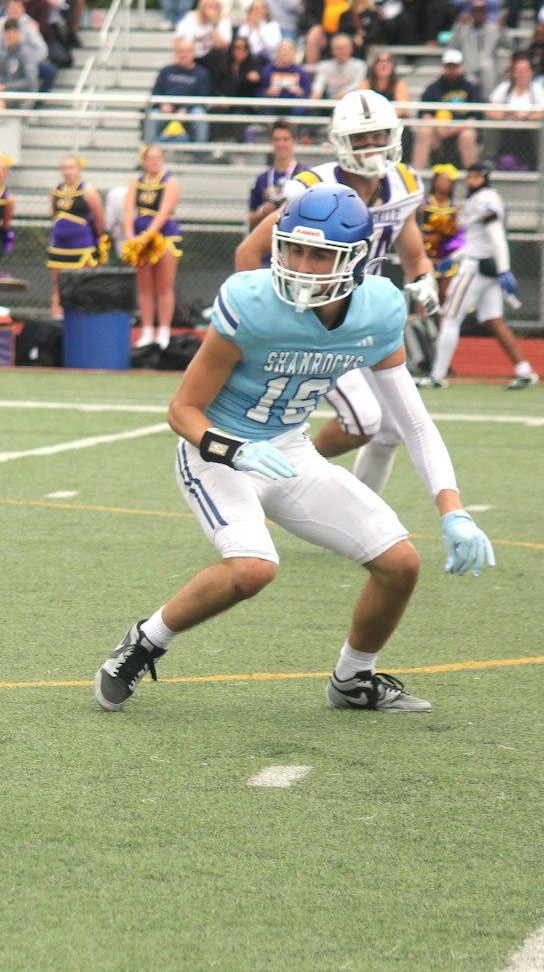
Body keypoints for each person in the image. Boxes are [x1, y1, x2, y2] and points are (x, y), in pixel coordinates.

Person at [94, 181, 495, 717]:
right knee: (253, 568)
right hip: (219, 450)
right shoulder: (251, 301)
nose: (302, 265)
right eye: (294, 248)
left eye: (320, 254)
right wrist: (232, 450)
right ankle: (146, 639)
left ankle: (353, 680)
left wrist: (454, 510)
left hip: (290, 449)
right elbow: (182, 410)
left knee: (400, 563)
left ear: (354, 260)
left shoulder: (377, 310)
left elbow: (415, 423)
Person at [235, 91, 435, 495]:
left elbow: (413, 254)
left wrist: (425, 279)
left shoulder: (402, 185)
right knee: (363, 420)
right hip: (315, 319)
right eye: (361, 138)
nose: (372, 145)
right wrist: (255, 317)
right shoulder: (313, 189)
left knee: (391, 430)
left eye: (378, 134)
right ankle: (280, 475)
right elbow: (248, 252)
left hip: (365, 318)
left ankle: (363, 512)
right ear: (341, 141)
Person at [420, 164, 539, 391]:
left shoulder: (486, 199)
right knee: (492, 319)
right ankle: (524, 370)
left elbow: (496, 237)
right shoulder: (477, 199)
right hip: (481, 266)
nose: (471, 180)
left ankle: (437, 374)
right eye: (470, 175)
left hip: (474, 269)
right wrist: (454, 258)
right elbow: (477, 240)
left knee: (450, 317)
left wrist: (505, 268)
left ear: (484, 177)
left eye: (476, 176)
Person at [122, 145, 181, 349]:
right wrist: (131, 236)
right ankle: (147, 330)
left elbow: (165, 211)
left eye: (157, 158)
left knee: (164, 286)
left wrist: (149, 235)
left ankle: (164, 330)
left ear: (162, 160)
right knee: (145, 287)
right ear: (144, 161)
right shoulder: (136, 182)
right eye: (150, 158)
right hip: (141, 239)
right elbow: (129, 210)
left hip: (164, 237)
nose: (154, 162)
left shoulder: (170, 182)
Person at [46, 154, 106, 320]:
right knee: (59, 287)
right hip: (59, 246)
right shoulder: (56, 190)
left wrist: (94, 237)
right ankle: (57, 322)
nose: (68, 172)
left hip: (81, 245)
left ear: (79, 170)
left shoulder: (87, 190)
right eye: (64, 168)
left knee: (81, 284)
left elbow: (99, 217)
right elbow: (54, 214)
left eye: (71, 168)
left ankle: (81, 321)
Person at [411, 51, 483, 170]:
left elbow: (476, 116)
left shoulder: (471, 88)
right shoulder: (433, 88)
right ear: (443, 68)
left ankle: (473, 176)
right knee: (424, 132)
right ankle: (415, 174)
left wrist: (457, 128)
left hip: (461, 131)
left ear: (461, 67)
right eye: (448, 67)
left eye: (454, 67)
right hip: (438, 132)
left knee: (468, 135)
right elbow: (424, 113)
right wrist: (437, 127)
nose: (451, 71)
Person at [147, 37, 210, 149]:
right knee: (153, 115)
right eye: (180, 51)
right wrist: (163, 105)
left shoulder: (202, 74)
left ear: (193, 54)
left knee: (199, 115)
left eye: (187, 51)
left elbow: (203, 96)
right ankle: (150, 151)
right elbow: (156, 92)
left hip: (190, 110)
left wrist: (186, 109)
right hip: (166, 110)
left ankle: (200, 154)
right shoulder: (166, 71)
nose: (183, 55)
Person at [246, 119, 303, 233]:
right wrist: (261, 212)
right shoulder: (262, 179)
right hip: (268, 243)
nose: (281, 144)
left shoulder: (305, 175)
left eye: (285, 139)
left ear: (294, 141)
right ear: (271, 142)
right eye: (276, 140)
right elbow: (250, 218)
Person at [418, 163, 462, 307]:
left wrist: (449, 238)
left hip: (445, 253)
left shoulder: (453, 207)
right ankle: (423, 320)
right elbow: (415, 228)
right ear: (434, 181)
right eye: (441, 180)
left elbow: (457, 232)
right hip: (427, 253)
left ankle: (443, 322)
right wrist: (427, 238)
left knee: (445, 293)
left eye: (448, 181)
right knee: (426, 291)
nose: (444, 183)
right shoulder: (425, 204)